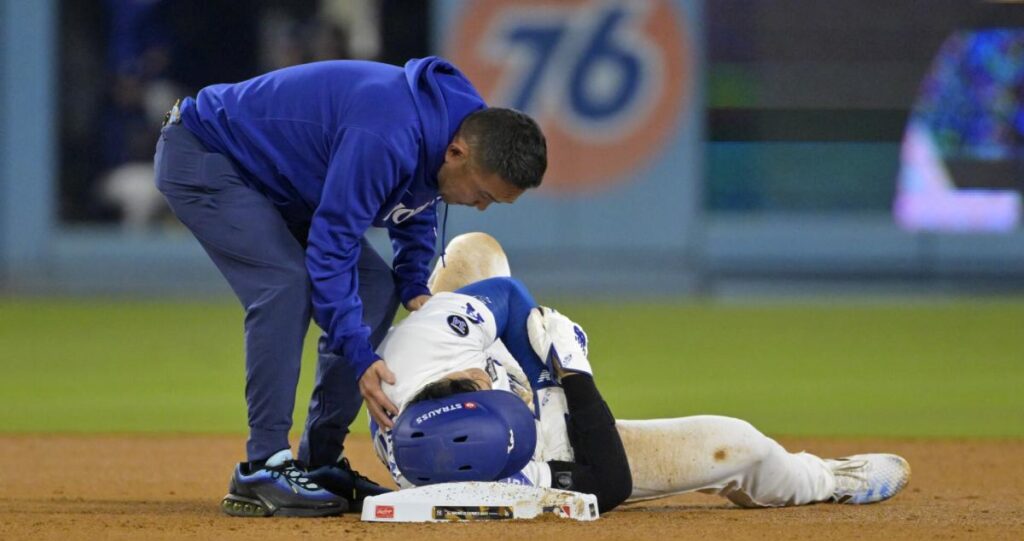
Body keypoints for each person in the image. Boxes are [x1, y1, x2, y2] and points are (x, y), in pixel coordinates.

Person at [152, 58, 547, 517]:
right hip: (207, 154)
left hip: (281, 183)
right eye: (482, 194)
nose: (480, 207)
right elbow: (331, 247)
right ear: (456, 153)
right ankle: (262, 467)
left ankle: (318, 461)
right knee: (285, 286)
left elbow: (419, 194)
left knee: (376, 287)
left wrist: (413, 279)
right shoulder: (387, 132)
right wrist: (360, 356)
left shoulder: (459, 132)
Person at [369, 233, 912, 513]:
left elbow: (504, 296)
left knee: (473, 254)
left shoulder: (410, 356)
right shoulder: (508, 485)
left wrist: (536, 373)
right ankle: (823, 480)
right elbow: (608, 482)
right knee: (740, 446)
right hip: (555, 448)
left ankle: (520, 370)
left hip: (486, 390)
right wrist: (572, 377)